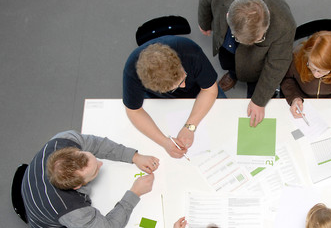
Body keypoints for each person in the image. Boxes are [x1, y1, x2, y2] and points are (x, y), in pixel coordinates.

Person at [198, 0, 296, 127]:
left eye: (260, 38)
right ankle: (233, 73)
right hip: (227, 40)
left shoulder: (285, 25)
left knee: (255, 76)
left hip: (256, 61)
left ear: (268, 16)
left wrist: (258, 101)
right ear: (228, 16)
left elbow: (277, 64)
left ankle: (251, 84)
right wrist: (204, 21)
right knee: (228, 59)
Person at [21, 130, 158, 228]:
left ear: (74, 150)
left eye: (94, 158)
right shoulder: (74, 212)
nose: (101, 163)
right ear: (77, 186)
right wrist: (134, 193)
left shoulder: (65, 139)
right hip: (43, 219)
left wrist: (134, 156)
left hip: (31, 187)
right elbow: (109, 226)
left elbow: (96, 144)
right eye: (95, 171)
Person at [123, 35, 219, 158]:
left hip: (200, 89)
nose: (184, 86)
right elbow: (134, 111)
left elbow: (209, 90)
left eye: (183, 77)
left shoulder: (190, 50)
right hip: (163, 100)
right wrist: (165, 142)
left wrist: (189, 127)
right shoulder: (132, 72)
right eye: (177, 86)